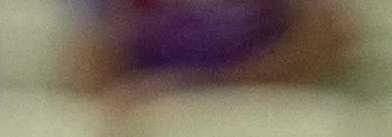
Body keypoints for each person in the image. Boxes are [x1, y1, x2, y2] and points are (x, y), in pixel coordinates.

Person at [71, 0, 353, 92]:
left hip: (265, 110)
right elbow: (95, 82)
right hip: (159, 125)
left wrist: (208, 87)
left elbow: (328, 37)